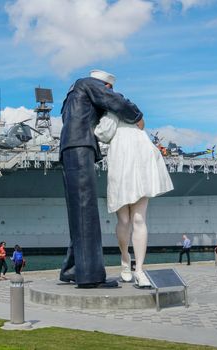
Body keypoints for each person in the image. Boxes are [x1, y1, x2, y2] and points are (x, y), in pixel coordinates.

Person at [59, 69, 143, 289]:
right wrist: (137, 115)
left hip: (68, 147)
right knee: (86, 212)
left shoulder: (72, 93)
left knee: (77, 214)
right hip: (80, 147)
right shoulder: (90, 84)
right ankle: (91, 276)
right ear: (105, 85)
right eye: (109, 89)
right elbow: (116, 102)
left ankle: (73, 269)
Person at [98, 71, 173, 287]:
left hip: (136, 158)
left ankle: (138, 268)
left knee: (135, 220)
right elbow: (140, 123)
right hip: (129, 158)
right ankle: (125, 260)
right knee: (126, 220)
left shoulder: (112, 109)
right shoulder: (128, 107)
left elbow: (103, 133)